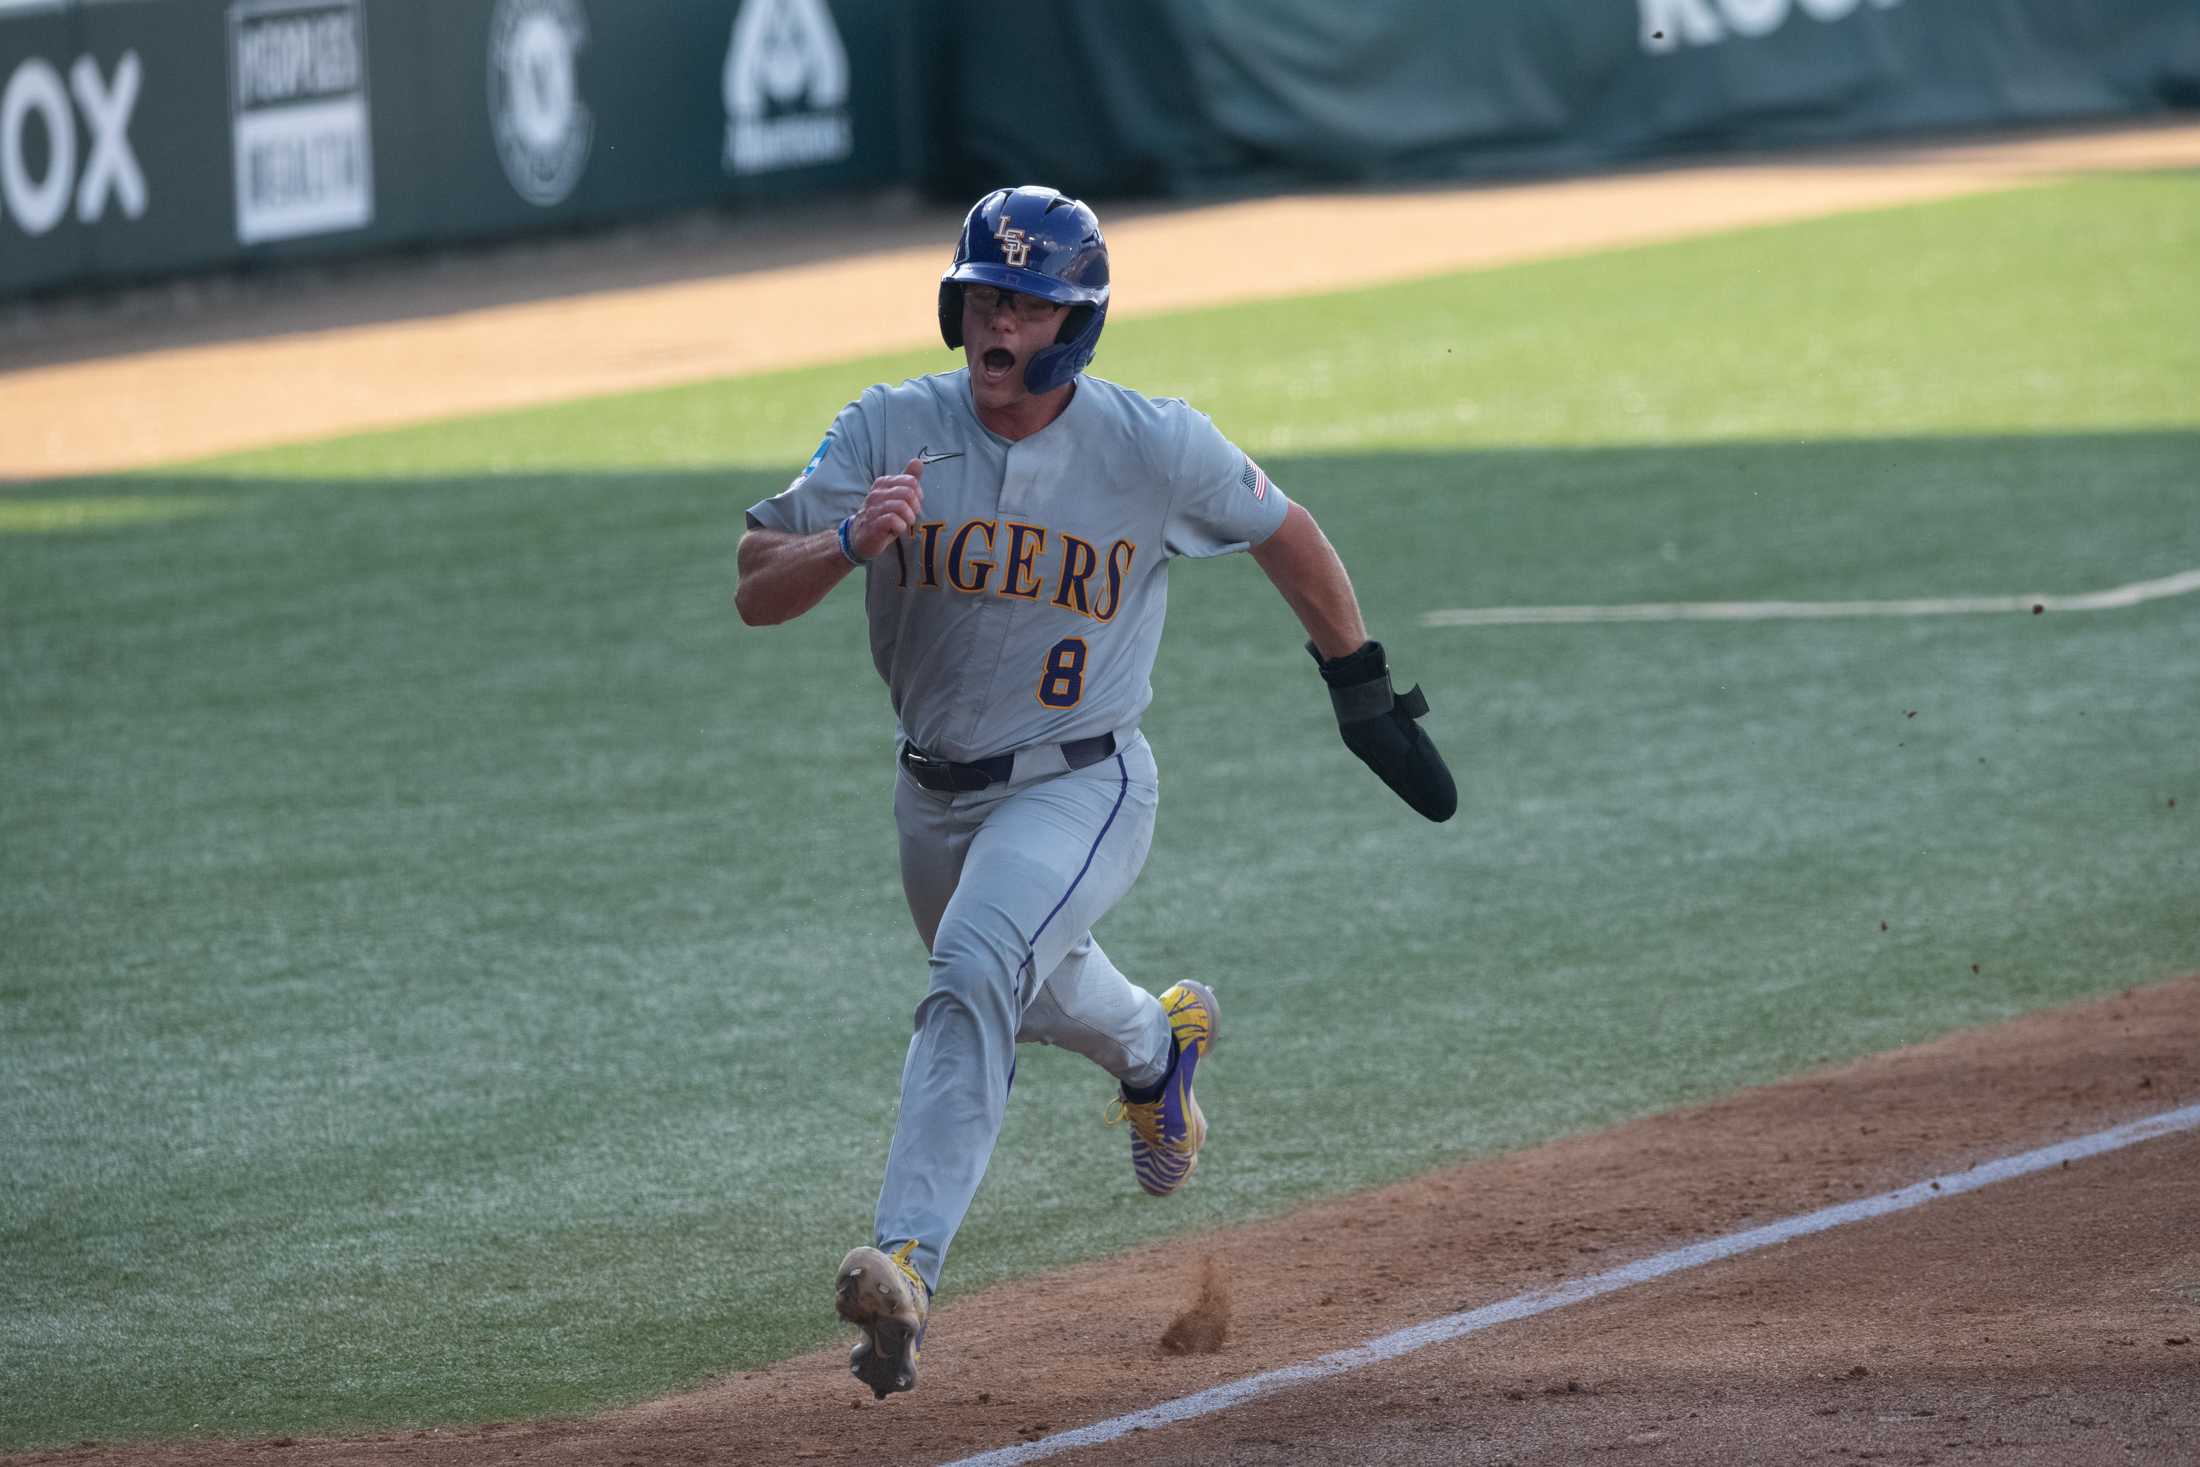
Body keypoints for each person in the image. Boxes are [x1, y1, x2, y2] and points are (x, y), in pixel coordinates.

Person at [735, 184, 1455, 1400]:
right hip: (934, 800)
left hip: (1084, 785)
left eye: (1024, 304)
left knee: (972, 972)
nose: (995, 325)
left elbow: (1285, 528)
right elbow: (756, 582)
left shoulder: (1151, 445)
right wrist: (847, 542)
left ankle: (905, 1264)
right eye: (982, 297)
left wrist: (1361, 689)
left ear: (1073, 325)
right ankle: (1154, 1047)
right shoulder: (887, 427)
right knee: (1016, 989)